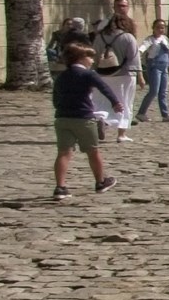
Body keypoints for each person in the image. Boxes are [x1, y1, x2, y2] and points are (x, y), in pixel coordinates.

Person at [52, 43, 121, 199]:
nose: (92, 60)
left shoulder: (61, 76)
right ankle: (100, 181)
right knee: (93, 151)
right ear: (81, 58)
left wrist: (60, 108)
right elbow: (104, 88)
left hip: (62, 118)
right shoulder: (89, 74)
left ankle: (60, 187)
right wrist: (115, 102)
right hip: (83, 118)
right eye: (89, 57)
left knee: (63, 153)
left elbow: (55, 98)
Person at [98, 8, 142, 139]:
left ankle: (102, 118)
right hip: (125, 74)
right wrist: (140, 76)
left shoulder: (100, 37)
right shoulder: (128, 37)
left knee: (104, 100)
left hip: (103, 73)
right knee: (125, 101)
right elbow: (135, 58)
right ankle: (121, 134)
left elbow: (93, 55)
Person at [139, 24, 169, 123]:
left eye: (162, 28)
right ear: (153, 29)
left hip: (164, 67)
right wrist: (138, 53)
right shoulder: (150, 40)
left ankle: (165, 114)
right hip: (154, 67)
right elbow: (143, 47)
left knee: (163, 92)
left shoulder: (165, 39)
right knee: (154, 91)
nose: (160, 30)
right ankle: (141, 113)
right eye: (158, 27)